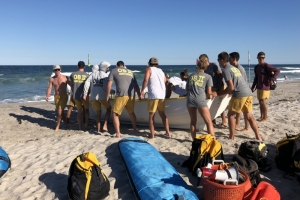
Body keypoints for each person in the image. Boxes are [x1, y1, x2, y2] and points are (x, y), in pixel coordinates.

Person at [213, 52, 262, 141]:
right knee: (249, 116)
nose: (218, 62)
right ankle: (258, 136)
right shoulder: (234, 68)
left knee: (231, 115)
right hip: (248, 93)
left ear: (222, 60)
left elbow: (231, 87)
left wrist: (218, 94)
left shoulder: (226, 70)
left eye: (218, 60)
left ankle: (231, 137)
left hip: (240, 94)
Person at [106, 61, 141, 138]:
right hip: (131, 95)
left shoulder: (114, 70)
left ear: (116, 65)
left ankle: (118, 134)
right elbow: (136, 85)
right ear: (124, 65)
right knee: (131, 112)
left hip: (121, 94)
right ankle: (135, 129)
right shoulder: (130, 71)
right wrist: (139, 94)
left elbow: (109, 83)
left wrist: (107, 95)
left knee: (115, 114)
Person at [140, 57, 171, 138]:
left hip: (154, 95)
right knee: (162, 114)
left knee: (151, 115)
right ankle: (168, 132)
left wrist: (142, 90)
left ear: (149, 63)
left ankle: (152, 134)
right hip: (162, 94)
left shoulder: (148, 69)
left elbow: (146, 80)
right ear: (157, 64)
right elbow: (165, 81)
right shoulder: (161, 71)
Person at [186, 55, 215, 139]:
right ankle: (212, 140)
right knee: (209, 122)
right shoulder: (208, 77)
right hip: (200, 99)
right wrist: (214, 93)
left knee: (193, 121)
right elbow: (209, 92)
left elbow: (187, 89)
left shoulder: (191, 76)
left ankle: (194, 140)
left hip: (190, 99)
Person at [251, 52, 280, 122]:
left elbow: (277, 71)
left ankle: (265, 117)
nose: (261, 59)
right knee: (260, 102)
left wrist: (272, 79)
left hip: (265, 87)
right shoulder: (256, 67)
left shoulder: (267, 66)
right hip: (259, 87)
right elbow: (256, 78)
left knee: (263, 102)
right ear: (257, 58)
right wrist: (252, 87)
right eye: (260, 57)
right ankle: (261, 116)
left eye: (263, 58)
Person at [83, 63, 111, 133]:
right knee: (109, 109)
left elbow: (87, 83)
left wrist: (85, 94)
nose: (108, 69)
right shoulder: (106, 76)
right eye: (108, 68)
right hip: (103, 96)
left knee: (98, 113)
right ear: (105, 68)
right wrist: (109, 94)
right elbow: (107, 86)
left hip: (93, 97)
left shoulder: (93, 74)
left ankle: (98, 129)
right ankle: (105, 124)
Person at [201, 54, 227, 127]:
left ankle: (224, 121)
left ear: (206, 60)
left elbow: (220, 76)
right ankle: (213, 121)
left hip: (218, 86)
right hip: (210, 88)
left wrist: (218, 88)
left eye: (203, 61)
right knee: (210, 104)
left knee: (219, 103)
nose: (202, 63)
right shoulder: (204, 68)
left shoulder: (214, 65)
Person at [229, 52, 250, 132]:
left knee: (242, 111)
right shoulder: (234, 67)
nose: (229, 60)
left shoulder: (239, 68)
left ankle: (239, 125)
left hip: (242, 91)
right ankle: (242, 126)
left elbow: (241, 81)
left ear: (234, 59)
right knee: (243, 111)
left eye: (230, 59)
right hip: (242, 91)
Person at [45, 65, 68, 131]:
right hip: (57, 96)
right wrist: (47, 95)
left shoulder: (65, 77)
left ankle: (58, 126)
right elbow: (49, 87)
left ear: (60, 70)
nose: (57, 71)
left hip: (64, 96)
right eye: (56, 70)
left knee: (59, 111)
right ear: (54, 71)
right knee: (61, 112)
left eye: (58, 69)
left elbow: (71, 85)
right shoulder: (52, 79)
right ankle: (66, 123)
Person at [68, 61, 89, 130]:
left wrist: (73, 88)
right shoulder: (87, 75)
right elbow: (88, 86)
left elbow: (70, 84)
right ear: (84, 67)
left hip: (76, 95)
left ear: (77, 66)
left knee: (79, 112)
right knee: (86, 110)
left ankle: (80, 127)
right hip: (84, 96)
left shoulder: (73, 74)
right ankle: (86, 125)